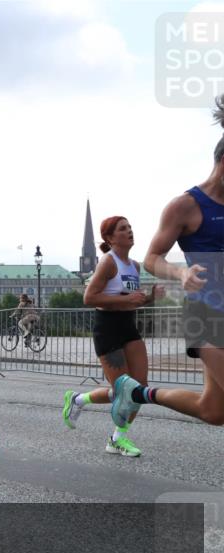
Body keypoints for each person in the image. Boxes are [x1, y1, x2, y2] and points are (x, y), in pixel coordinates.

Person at [115, 95, 224, 427]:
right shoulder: (186, 206)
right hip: (206, 314)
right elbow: (151, 258)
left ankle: (136, 393)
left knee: (213, 411)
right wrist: (181, 272)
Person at [61, 216, 164, 456]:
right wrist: (126, 300)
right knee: (123, 391)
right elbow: (89, 297)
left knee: (139, 389)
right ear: (110, 238)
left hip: (129, 327)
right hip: (107, 329)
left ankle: (117, 438)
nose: (129, 231)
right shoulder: (108, 262)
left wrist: (150, 297)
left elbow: (132, 300)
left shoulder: (135, 266)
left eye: (130, 227)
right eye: (123, 229)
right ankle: (78, 400)